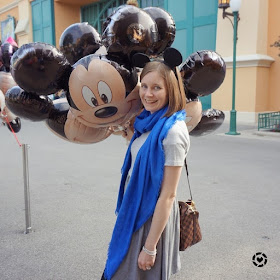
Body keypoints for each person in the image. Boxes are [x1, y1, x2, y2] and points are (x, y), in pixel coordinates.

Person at [102, 53, 190, 280]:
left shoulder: (173, 132)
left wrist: (150, 248)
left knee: (130, 272)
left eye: (156, 88)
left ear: (170, 89)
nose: (148, 94)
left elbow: (168, 196)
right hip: (135, 208)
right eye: (144, 86)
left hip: (150, 217)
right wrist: (125, 132)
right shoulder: (148, 121)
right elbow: (145, 154)